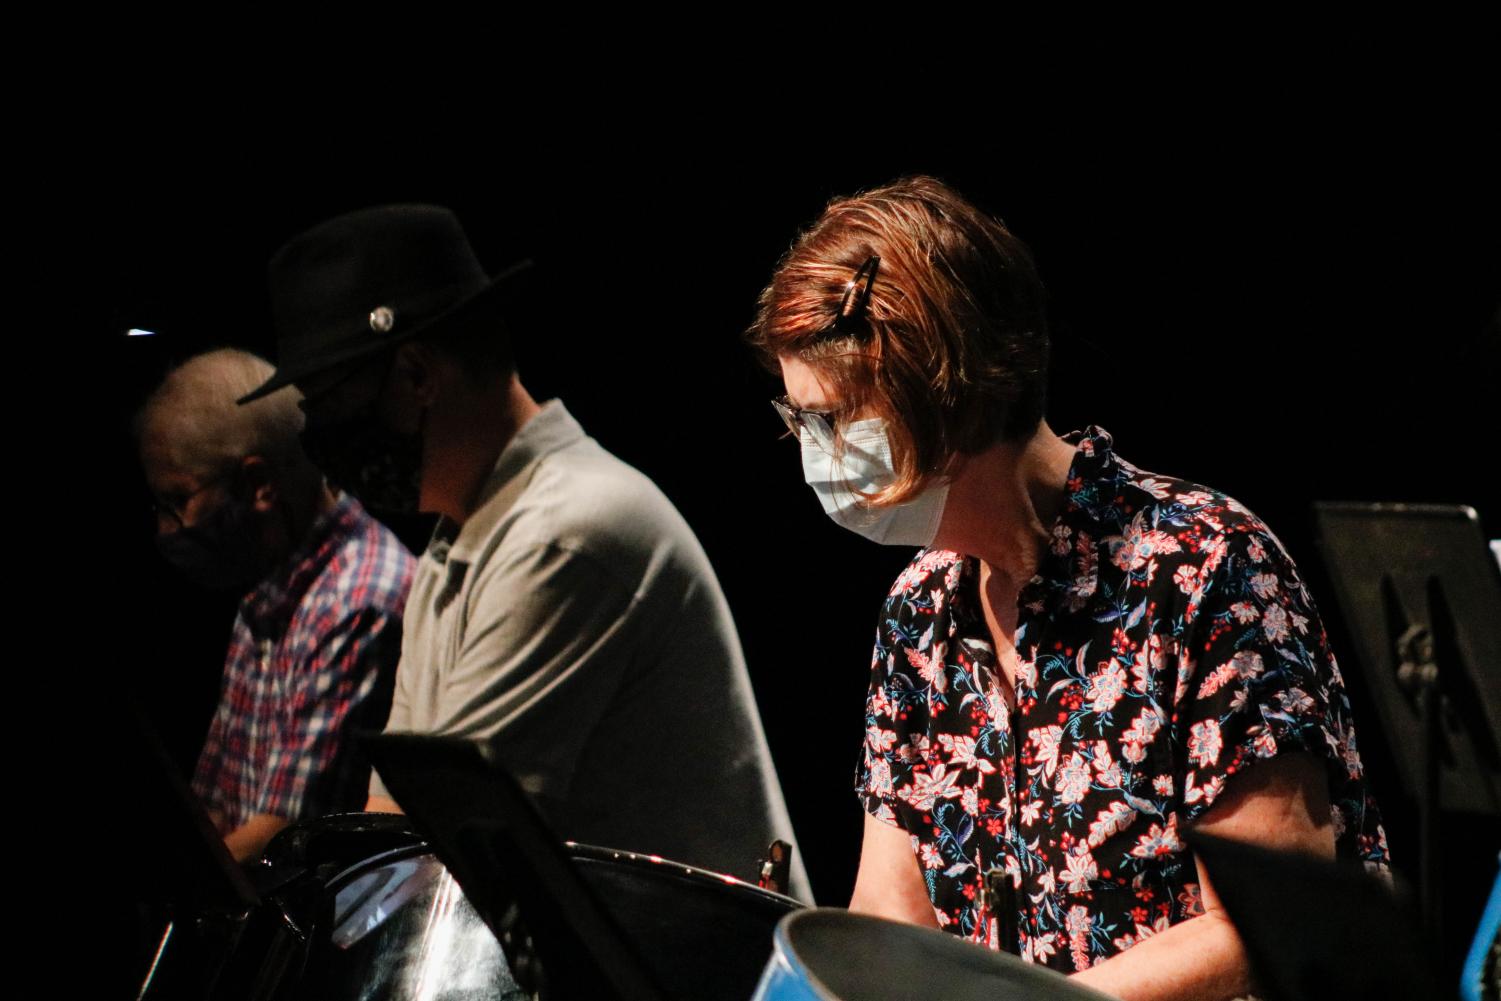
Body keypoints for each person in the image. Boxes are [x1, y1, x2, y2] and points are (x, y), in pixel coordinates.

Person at [746, 176, 1389, 999]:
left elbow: (1264, 926)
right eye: (800, 420)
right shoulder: (918, 612)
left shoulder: (1200, 568)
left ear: (950, 400)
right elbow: (888, 916)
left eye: (833, 420)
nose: (814, 452)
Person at [239, 204, 809, 897]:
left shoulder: (565, 533)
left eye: (327, 402)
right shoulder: (462, 536)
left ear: (417, 375)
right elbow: (394, 821)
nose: (320, 437)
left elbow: (435, 857)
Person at [139, 348, 414, 861]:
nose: (165, 528)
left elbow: (286, 840)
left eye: (178, 501)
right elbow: (218, 798)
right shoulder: (266, 582)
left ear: (259, 485)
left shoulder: (358, 603)